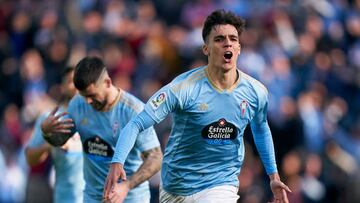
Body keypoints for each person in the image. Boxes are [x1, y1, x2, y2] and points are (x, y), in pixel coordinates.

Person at [104, 9, 291, 203]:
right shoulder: (183, 88)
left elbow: (260, 128)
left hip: (221, 183)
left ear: (239, 48)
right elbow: (136, 123)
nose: (227, 43)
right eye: (219, 39)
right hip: (177, 186)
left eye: (233, 39)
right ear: (206, 49)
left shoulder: (255, 92)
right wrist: (118, 160)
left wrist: (273, 176)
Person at [41, 56, 163, 203]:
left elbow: (156, 158)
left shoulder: (134, 111)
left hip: (129, 198)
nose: (88, 101)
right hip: (93, 197)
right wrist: (47, 132)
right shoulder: (78, 104)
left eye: (92, 95)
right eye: (83, 95)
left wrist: (126, 185)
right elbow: (61, 140)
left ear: (107, 82)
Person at [25, 67, 85, 203]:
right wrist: (49, 145)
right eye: (71, 81)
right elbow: (30, 159)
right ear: (63, 87)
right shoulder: (51, 120)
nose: (76, 86)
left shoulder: (101, 118)